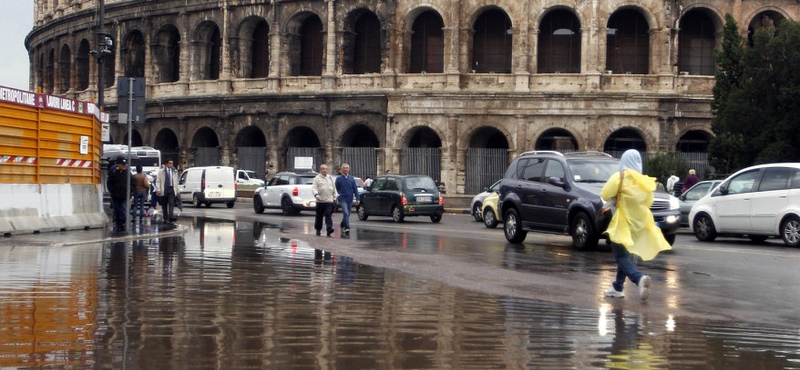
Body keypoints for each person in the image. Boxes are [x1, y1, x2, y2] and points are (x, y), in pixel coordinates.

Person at [601, 149, 672, 301]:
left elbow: (605, 194)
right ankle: (617, 287)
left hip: (622, 223)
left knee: (620, 256)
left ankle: (639, 278)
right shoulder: (644, 181)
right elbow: (649, 201)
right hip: (640, 223)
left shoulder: (619, 178)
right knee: (626, 256)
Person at [312, 164, 338, 236]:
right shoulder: (316, 178)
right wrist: (316, 195)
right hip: (320, 201)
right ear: (320, 170)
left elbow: (334, 189)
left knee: (328, 214)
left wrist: (335, 198)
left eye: (326, 169)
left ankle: (329, 229)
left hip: (329, 200)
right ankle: (318, 229)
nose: (325, 170)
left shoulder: (330, 178)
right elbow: (314, 188)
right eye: (323, 169)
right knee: (319, 216)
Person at [107, 158, 132, 231]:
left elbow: (132, 183)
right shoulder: (114, 172)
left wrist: (130, 192)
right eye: (122, 165)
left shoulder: (128, 173)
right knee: (117, 210)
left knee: (123, 210)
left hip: (124, 196)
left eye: (125, 165)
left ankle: (123, 222)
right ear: (119, 165)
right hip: (116, 195)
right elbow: (109, 182)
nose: (124, 166)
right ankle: (118, 224)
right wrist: (112, 191)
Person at [335, 163, 360, 234]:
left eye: (347, 168)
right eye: (344, 168)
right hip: (342, 198)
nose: (345, 169)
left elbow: (355, 189)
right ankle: (347, 227)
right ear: (342, 169)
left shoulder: (351, 179)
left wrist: (357, 198)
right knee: (345, 212)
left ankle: (342, 224)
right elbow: (336, 189)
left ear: (349, 169)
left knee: (348, 214)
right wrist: (336, 196)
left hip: (350, 198)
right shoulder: (338, 179)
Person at [157, 158, 178, 224]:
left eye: (172, 163)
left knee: (171, 203)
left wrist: (177, 190)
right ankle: (165, 218)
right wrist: (158, 189)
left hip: (172, 189)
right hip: (164, 189)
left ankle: (171, 217)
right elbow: (158, 181)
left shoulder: (175, 171)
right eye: (170, 163)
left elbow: (176, 181)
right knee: (164, 205)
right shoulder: (161, 171)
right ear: (166, 164)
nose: (171, 164)